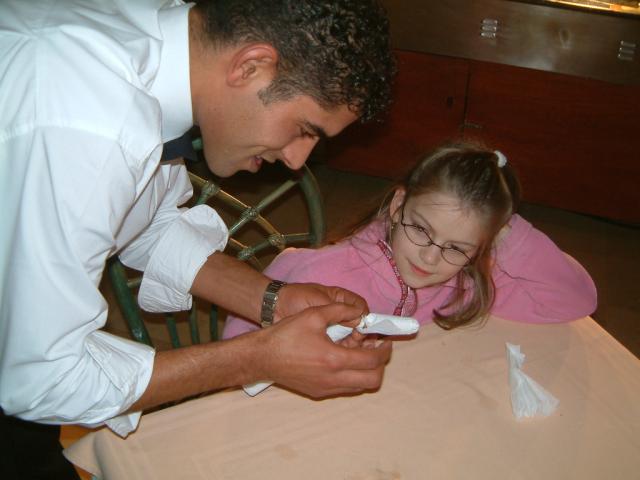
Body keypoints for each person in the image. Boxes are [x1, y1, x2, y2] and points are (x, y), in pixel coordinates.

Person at [0, 0, 396, 477]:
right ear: (250, 66)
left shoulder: (173, 49)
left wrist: (274, 301)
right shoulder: (90, 128)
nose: (297, 159)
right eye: (304, 129)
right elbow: (40, 377)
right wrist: (257, 359)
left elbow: (145, 222)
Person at [223, 144, 597, 340]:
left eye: (456, 247)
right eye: (421, 230)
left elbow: (575, 299)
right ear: (398, 204)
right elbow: (243, 336)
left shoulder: (465, 286)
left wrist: (505, 231)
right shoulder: (321, 271)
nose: (430, 258)